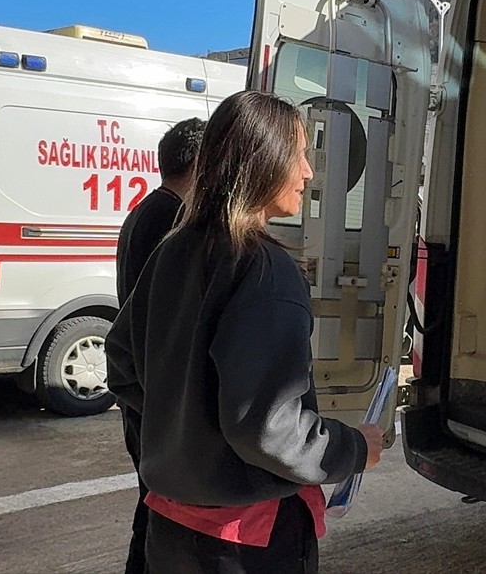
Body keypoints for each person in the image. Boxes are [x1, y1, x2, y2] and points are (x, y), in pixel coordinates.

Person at [106, 91, 383, 574]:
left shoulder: (173, 251)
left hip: (171, 527)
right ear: (265, 160)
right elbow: (268, 426)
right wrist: (356, 448)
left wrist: (183, 433)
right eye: (300, 153)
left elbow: (122, 363)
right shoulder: (263, 267)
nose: (308, 172)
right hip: (245, 541)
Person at [111, 116, 205, 574]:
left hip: (144, 395)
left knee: (152, 501)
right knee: (159, 509)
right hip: (157, 396)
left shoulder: (145, 209)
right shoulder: (173, 219)